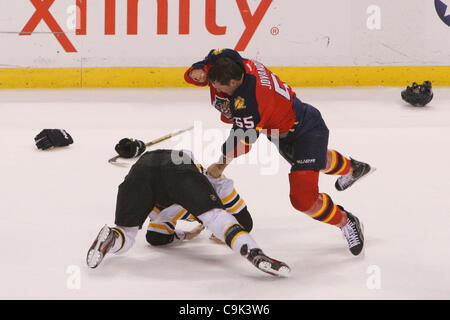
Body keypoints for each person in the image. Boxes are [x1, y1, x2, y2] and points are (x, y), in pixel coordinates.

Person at [185, 48, 374, 256]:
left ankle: (347, 221)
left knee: (303, 199)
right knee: (317, 161)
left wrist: (220, 164)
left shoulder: (250, 104)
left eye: (216, 85)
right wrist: (200, 68)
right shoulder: (236, 63)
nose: (212, 87)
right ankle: (353, 168)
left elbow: (241, 142)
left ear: (233, 83)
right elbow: (212, 58)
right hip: (283, 128)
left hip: (306, 131)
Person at [86, 148, 289, 277]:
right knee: (217, 218)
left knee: (126, 234)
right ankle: (254, 253)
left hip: (142, 168)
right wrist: (223, 231)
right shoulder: (218, 187)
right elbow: (244, 219)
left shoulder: (167, 214)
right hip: (178, 165)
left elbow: (156, 237)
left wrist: (186, 235)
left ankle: (112, 238)